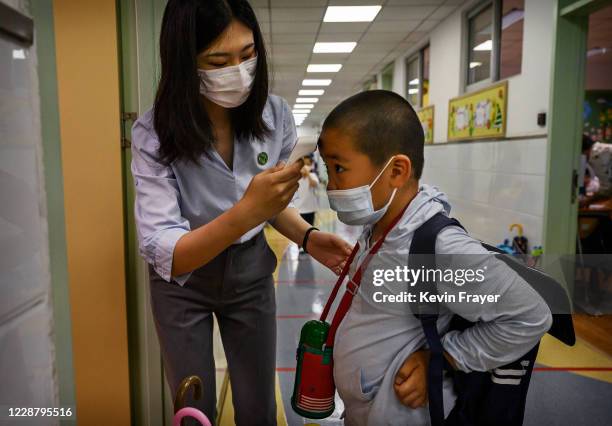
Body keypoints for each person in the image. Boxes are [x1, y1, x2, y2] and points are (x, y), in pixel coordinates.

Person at [130, 1, 351, 424]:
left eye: (248, 54)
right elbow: (169, 252)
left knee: (257, 406)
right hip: (183, 282)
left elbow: (269, 208)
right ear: (184, 62)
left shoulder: (274, 115)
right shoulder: (153, 134)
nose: (239, 71)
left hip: (250, 272)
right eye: (218, 60)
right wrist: (249, 210)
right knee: (192, 407)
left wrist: (306, 236)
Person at [317, 90, 552, 425]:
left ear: (396, 171)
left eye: (339, 168)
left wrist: (444, 357)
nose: (330, 185)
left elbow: (530, 317)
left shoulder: (439, 249)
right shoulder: (380, 227)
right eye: (328, 169)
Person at [296, 155, 320, 228]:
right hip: (298, 209)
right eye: (307, 158)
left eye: (310, 159)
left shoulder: (313, 174)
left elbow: (314, 184)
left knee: (309, 231)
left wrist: (308, 174)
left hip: (310, 209)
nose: (309, 160)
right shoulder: (297, 175)